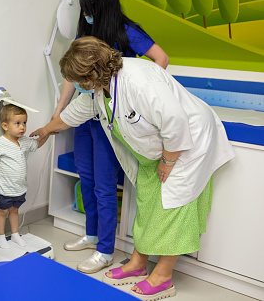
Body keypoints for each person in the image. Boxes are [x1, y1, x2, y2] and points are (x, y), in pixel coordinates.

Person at [31, 36, 234, 300]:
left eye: (80, 80)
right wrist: (46, 130)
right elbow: (74, 114)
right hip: (159, 149)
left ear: (93, 72)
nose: (79, 86)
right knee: (148, 202)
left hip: (188, 146)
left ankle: (163, 278)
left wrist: (168, 160)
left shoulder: (140, 81)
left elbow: (176, 123)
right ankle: (138, 264)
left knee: (173, 208)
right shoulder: (100, 88)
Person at [57, 0, 169, 275]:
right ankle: (91, 235)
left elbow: (161, 59)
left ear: (103, 5)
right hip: (85, 117)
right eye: (83, 8)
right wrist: (59, 111)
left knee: (105, 187)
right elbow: (72, 76)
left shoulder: (126, 32)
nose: (85, 14)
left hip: (111, 121)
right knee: (88, 179)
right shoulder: (87, 29)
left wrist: (135, 96)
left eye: (89, 7)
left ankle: (105, 250)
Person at [0, 104, 47, 249]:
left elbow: (37, 144)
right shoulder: (0, 144)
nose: (22, 127)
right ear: (5, 125)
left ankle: (15, 235)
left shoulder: (25, 141)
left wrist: (48, 133)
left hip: (20, 187)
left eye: (24, 123)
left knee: (15, 210)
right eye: (18, 123)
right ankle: (0, 236)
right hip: (4, 188)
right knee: (2, 212)